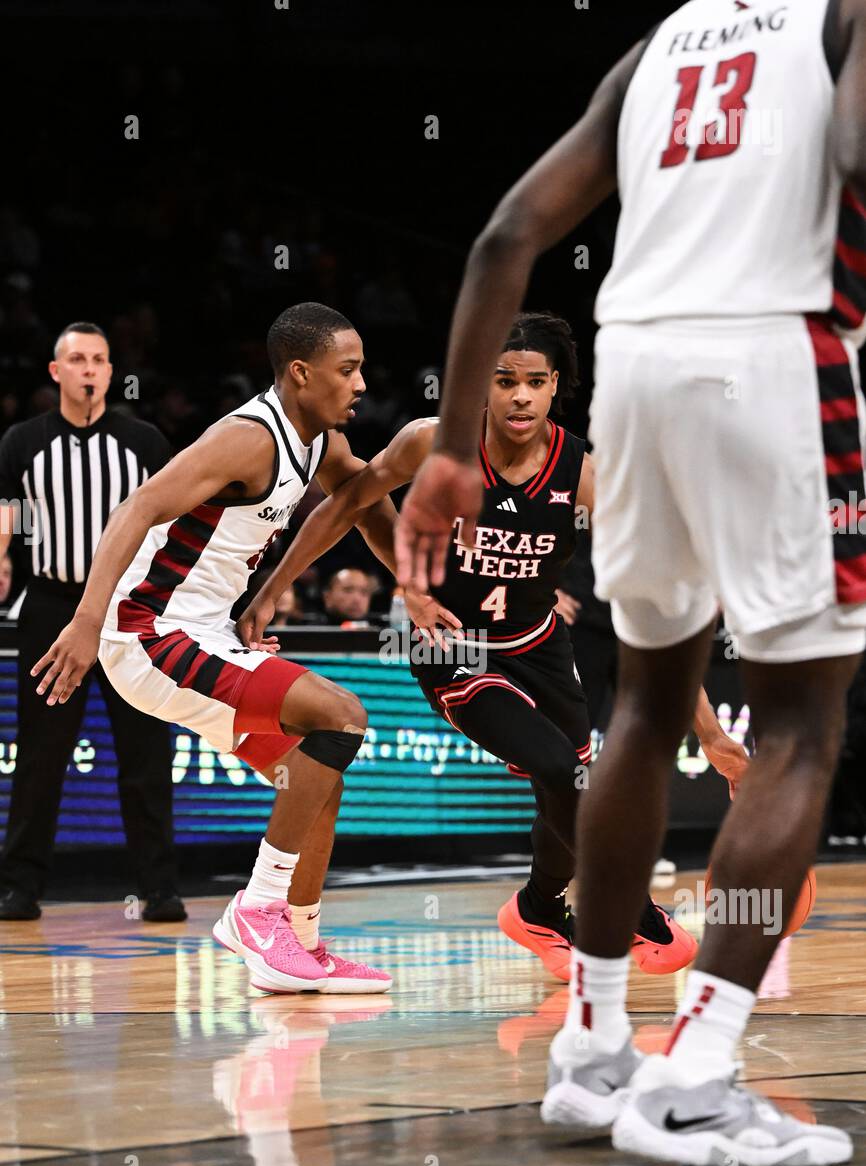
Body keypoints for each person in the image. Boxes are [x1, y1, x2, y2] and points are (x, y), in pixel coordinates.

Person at [393, 1, 866, 1166]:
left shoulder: (662, 42)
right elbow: (853, 155)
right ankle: (697, 1071)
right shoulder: (839, 17)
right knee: (800, 730)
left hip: (636, 368)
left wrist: (451, 445)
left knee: (643, 711)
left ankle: (594, 1049)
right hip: (776, 355)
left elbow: (505, 235)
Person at [239, 311, 748, 979]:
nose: (519, 395)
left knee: (571, 781)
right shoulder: (434, 443)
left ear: (555, 387)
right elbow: (350, 500)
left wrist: (709, 732)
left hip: (539, 644)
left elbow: (657, 608)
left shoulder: (582, 473)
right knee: (562, 772)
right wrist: (276, 585)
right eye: (504, 380)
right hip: (450, 643)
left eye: (535, 382)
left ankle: (539, 908)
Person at [30, 302, 446, 993]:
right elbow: (136, 508)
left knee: (320, 778)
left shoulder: (319, 439)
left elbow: (364, 498)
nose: (363, 383)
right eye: (348, 370)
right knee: (341, 714)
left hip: (203, 631)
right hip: (148, 633)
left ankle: (301, 946)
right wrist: (84, 618)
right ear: (302, 373)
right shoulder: (250, 438)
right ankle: (257, 911)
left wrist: (409, 579)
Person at [0, 321, 185, 922]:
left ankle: (160, 887)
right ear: (56, 372)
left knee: (146, 752)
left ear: (110, 372)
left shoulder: (146, 442)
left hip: (128, 607)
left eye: (99, 360)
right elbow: (10, 518)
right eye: (77, 359)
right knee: (40, 755)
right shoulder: (22, 442)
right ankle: (21, 887)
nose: (88, 369)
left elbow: (170, 526)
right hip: (52, 605)